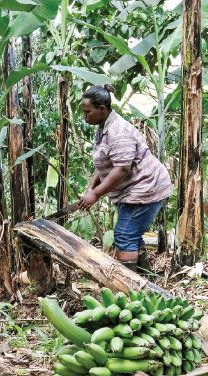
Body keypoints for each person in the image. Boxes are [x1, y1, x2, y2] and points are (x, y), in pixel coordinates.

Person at [74, 84, 173, 272]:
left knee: (124, 234)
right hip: (135, 189)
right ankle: (146, 282)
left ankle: (128, 290)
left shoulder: (118, 132)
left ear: (102, 109)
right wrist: (90, 188)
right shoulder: (103, 125)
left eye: (87, 112)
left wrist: (95, 195)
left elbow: (121, 169)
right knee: (131, 234)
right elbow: (105, 163)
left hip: (147, 187)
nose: (84, 116)